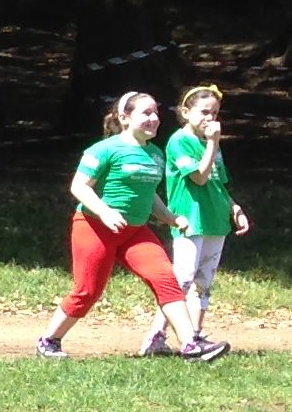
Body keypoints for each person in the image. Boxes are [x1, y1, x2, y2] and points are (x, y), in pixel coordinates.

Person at [40, 91, 221, 361]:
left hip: (134, 232)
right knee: (87, 291)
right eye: (145, 113)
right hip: (94, 228)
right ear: (125, 118)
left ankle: (190, 346)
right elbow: (79, 186)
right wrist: (104, 211)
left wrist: (171, 218)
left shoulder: (156, 154)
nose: (153, 119)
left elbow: (149, 196)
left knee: (166, 280)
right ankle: (48, 341)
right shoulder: (104, 149)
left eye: (156, 114)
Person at [157, 86, 250, 356]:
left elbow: (217, 183)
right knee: (182, 280)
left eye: (216, 113)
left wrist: (235, 208)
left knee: (203, 283)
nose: (211, 118)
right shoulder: (179, 141)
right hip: (191, 219)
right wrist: (212, 143)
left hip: (215, 219)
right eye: (204, 112)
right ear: (186, 112)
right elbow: (198, 177)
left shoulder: (212, 143)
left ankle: (195, 336)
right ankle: (156, 336)